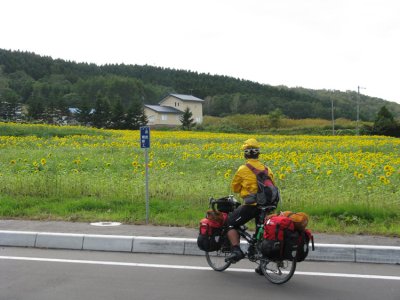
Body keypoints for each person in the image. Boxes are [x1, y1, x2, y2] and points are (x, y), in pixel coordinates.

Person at [226, 138, 276, 271]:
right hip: (268, 206)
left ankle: (236, 251)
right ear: (258, 154)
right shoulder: (267, 169)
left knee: (230, 223)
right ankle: (262, 265)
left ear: (245, 154)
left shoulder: (243, 169)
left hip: (252, 206)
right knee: (262, 232)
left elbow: (235, 188)